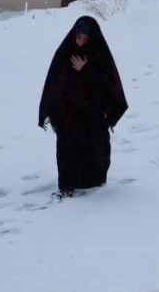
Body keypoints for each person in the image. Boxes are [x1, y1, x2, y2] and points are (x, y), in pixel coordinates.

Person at [38, 16, 128, 198]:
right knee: (67, 150)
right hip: (68, 114)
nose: (80, 43)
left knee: (95, 150)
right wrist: (50, 109)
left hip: (93, 113)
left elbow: (109, 84)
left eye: (84, 39)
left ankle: (93, 186)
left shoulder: (99, 54)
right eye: (78, 38)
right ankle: (68, 185)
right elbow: (53, 81)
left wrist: (86, 70)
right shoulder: (65, 52)